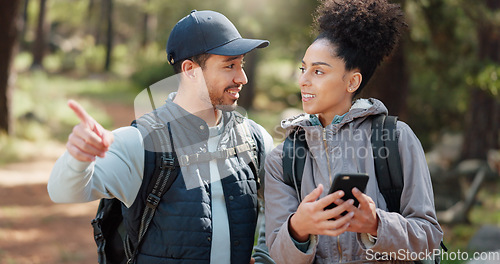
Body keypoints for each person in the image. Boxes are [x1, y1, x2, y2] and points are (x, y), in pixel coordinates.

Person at [48, 10, 275, 264]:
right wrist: (78, 158)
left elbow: (279, 211)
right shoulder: (139, 142)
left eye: (241, 64)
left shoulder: (255, 139)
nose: (241, 77)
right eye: (229, 66)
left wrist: (264, 256)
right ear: (190, 71)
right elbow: (62, 192)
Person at [264, 0, 443, 263]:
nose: (303, 79)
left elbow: (428, 238)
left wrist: (376, 225)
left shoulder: (396, 138)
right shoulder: (282, 159)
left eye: (318, 71)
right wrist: (298, 228)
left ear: (352, 81)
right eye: (304, 68)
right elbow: (279, 256)